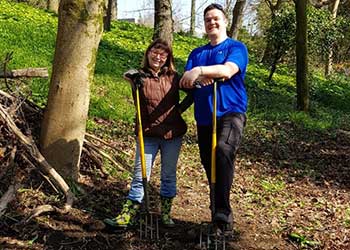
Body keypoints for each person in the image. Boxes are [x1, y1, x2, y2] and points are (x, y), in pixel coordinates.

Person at [104, 38, 192, 227]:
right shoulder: (139, 77)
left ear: (168, 58)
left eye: (163, 54)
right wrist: (130, 77)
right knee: (140, 175)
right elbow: (127, 74)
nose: (158, 57)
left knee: (168, 175)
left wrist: (178, 110)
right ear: (148, 53)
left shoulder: (174, 77)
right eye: (155, 52)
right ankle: (127, 216)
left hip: (172, 134)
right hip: (148, 135)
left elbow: (192, 93)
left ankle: (166, 214)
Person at [179, 3, 248, 229]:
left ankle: (223, 213)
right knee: (211, 167)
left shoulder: (236, 47)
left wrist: (200, 71)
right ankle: (217, 214)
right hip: (205, 118)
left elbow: (227, 70)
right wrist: (197, 76)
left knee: (223, 151)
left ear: (225, 21)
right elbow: (186, 81)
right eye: (208, 19)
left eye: (216, 18)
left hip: (231, 113)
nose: (212, 22)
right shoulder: (197, 53)